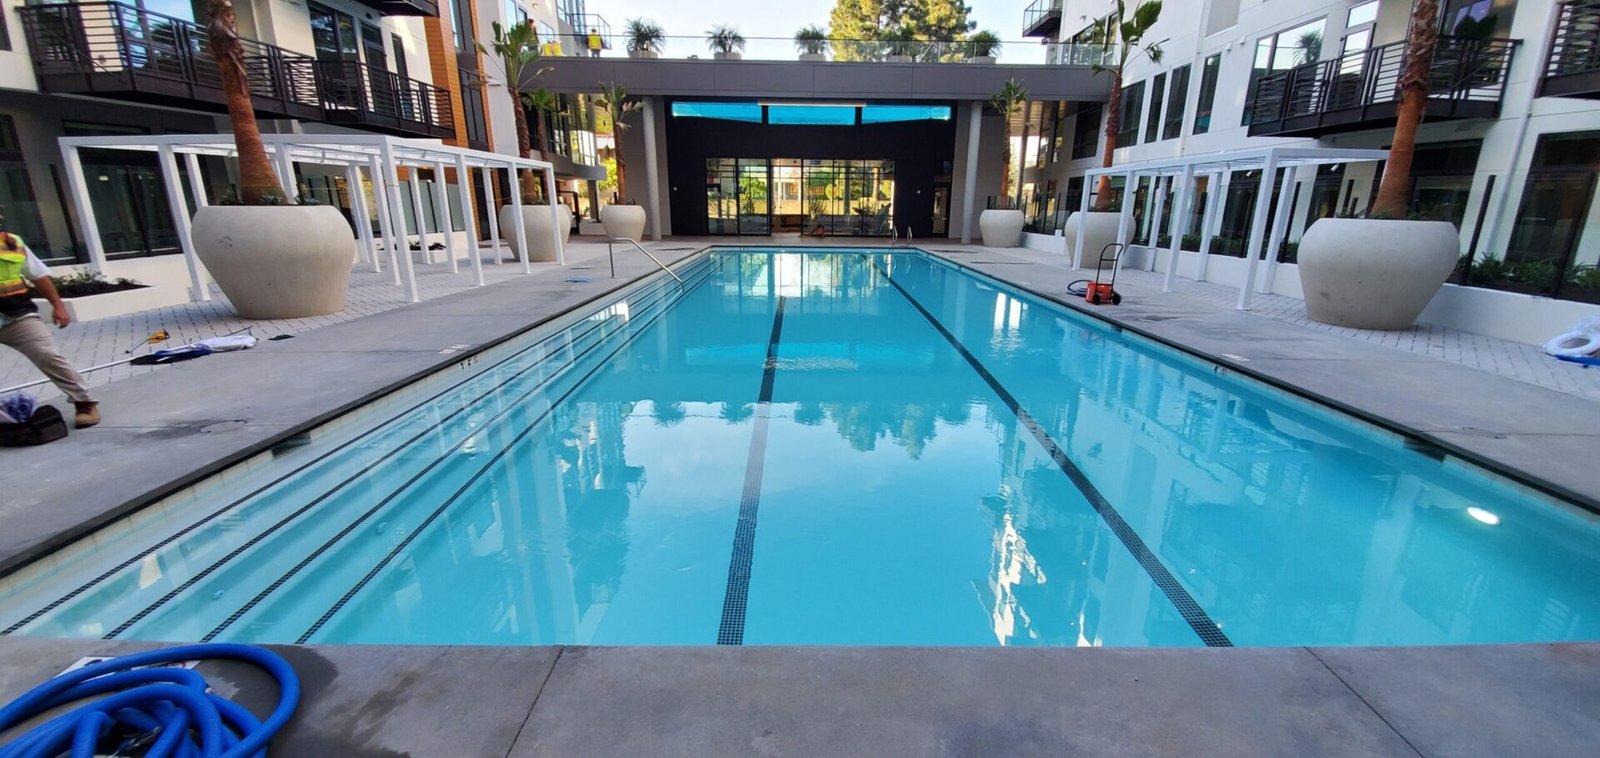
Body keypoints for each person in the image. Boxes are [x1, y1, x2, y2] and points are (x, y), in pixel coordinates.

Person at [0, 210, 99, 428]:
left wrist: (58, 306)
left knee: (49, 356)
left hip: (16, 317)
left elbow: (38, 276)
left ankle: (85, 403)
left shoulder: (11, 244)